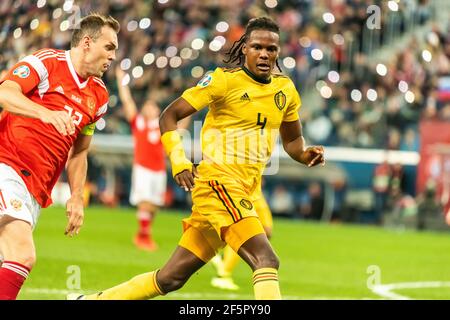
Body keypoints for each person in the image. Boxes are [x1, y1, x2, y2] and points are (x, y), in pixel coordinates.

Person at [70, 16, 324, 300]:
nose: (264, 54)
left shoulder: (285, 90)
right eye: (257, 47)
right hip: (219, 185)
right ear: (244, 49)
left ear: (278, 52)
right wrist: (179, 161)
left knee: (171, 278)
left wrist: (304, 153)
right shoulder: (223, 82)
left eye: (271, 49)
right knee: (266, 260)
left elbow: (291, 140)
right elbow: (170, 116)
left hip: (245, 190)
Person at [0, 13, 119, 300]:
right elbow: (5, 92)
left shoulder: (99, 96)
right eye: (109, 47)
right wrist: (45, 113)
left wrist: (77, 196)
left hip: (36, 189)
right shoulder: (46, 63)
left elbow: (80, 151)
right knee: (22, 255)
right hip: (7, 167)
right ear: (87, 43)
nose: (113, 56)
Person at [115, 67, 166, 251]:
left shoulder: (162, 126)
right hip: (143, 168)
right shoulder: (139, 123)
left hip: (159, 170)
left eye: (153, 107)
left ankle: (142, 233)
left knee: (154, 206)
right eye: (148, 106)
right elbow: (127, 101)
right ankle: (145, 238)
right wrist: (122, 81)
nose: (150, 109)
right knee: (144, 202)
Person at [210, 183, 273, 291]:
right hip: (242, 188)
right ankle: (223, 275)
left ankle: (222, 260)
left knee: (266, 231)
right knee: (245, 233)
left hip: (253, 188)